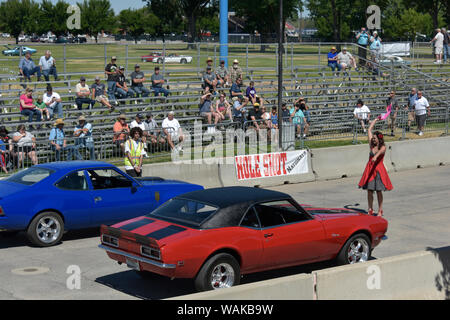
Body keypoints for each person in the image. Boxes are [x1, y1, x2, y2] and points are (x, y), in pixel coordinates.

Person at [358, 118, 393, 216]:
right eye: (372, 138)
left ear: (379, 139)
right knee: (369, 191)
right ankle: (370, 209)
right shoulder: (371, 145)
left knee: (378, 191)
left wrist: (375, 157)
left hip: (378, 171)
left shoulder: (383, 146)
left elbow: (381, 151)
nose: (373, 139)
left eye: (375, 138)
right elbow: (369, 130)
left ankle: (380, 210)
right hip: (370, 170)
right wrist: (375, 120)